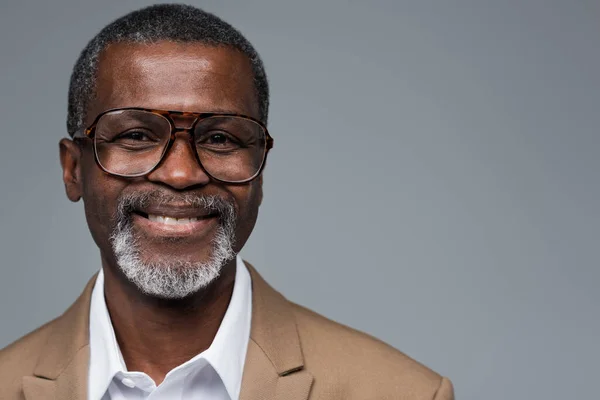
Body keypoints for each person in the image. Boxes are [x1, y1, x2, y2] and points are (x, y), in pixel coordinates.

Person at [0, 4, 454, 399]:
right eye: (136, 135)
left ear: (260, 170)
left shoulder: (403, 393)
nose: (180, 173)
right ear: (73, 169)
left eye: (220, 138)